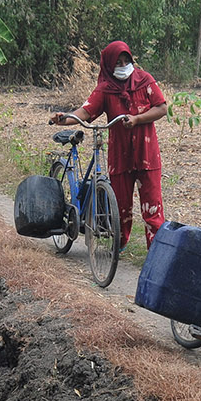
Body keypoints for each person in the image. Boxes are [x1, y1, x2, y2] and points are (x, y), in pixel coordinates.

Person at [51, 41, 167, 250]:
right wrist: (64, 118)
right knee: (121, 209)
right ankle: (118, 245)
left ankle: (156, 253)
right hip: (121, 156)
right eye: (117, 63)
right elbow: (85, 112)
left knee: (153, 211)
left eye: (126, 61)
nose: (123, 66)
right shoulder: (105, 89)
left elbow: (161, 107)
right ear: (109, 66)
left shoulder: (145, 81)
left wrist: (137, 119)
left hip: (147, 155)